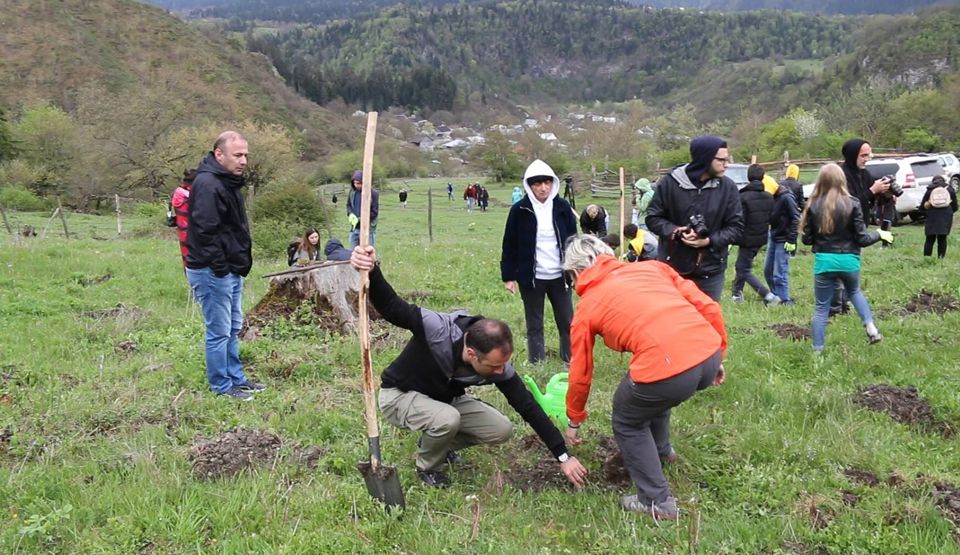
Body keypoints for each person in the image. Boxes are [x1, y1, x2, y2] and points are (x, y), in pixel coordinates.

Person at [349, 246, 588, 489]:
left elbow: (528, 408)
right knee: (448, 419)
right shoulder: (437, 329)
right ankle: (428, 467)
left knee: (501, 429)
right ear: (472, 354)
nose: (500, 371)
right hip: (399, 396)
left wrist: (563, 456)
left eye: (503, 364)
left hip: (442, 403)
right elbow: (392, 307)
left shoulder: (496, 363)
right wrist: (372, 269)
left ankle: (436, 444)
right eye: (494, 366)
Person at [562, 235, 726, 519]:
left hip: (672, 366)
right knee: (649, 394)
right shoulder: (652, 267)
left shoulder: (587, 306)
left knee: (627, 418)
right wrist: (717, 354)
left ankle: (656, 500)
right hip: (706, 356)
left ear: (576, 272)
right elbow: (710, 307)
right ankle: (662, 452)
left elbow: (580, 371)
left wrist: (574, 418)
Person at [185, 131, 265, 401]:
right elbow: (206, 232)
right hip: (212, 270)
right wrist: (220, 268)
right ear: (219, 155)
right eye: (237, 155)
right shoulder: (209, 184)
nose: (243, 161)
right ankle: (222, 386)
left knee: (232, 327)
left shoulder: (227, 181)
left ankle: (236, 378)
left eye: (245, 155)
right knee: (218, 331)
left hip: (228, 267)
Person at [801, 164, 892, 352]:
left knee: (821, 308)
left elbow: (807, 239)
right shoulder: (854, 203)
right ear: (842, 179)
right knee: (854, 292)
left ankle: (817, 349)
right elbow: (863, 239)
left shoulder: (814, 204)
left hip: (825, 261)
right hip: (849, 260)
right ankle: (871, 328)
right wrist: (879, 234)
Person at [646, 136, 744, 302]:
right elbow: (653, 218)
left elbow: (736, 227)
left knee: (707, 322)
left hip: (711, 270)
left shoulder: (728, 188)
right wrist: (676, 231)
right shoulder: (669, 184)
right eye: (721, 160)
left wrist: (709, 241)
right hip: (673, 269)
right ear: (704, 158)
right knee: (673, 322)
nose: (726, 164)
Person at [501, 159, 578, 365]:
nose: (543, 188)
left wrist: (576, 270)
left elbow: (573, 241)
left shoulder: (562, 207)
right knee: (534, 323)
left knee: (567, 322)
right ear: (529, 185)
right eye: (537, 184)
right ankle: (537, 362)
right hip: (532, 277)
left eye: (547, 183)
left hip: (560, 276)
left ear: (553, 183)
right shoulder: (520, 210)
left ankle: (569, 360)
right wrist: (509, 277)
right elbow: (510, 243)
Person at [732, 164, 779, 305]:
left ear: (748, 177)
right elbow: (772, 218)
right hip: (761, 237)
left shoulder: (743, 197)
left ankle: (768, 295)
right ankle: (736, 293)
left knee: (743, 268)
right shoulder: (769, 197)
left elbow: (740, 220)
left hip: (746, 239)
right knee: (743, 264)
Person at [765, 181, 801, 305]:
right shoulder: (774, 198)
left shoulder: (786, 198)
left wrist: (791, 239)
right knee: (768, 271)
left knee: (779, 273)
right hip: (774, 237)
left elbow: (796, 218)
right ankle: (776, 296)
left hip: (784, 239)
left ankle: (785, 300)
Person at [920, 175, 958, 258]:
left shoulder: (930, 190)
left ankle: (927, 258)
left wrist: (926, 211)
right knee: (942, 238)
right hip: (945, 215)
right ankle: (940, 258)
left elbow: (922, 206)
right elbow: (955, 206)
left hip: (932, 215)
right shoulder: (949, 189)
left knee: (930, 239)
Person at [171, 169, 197, 270]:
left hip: (182, 229)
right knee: (193, 261)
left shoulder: (178, 192)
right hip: (191, 231)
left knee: (187, 258)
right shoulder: (189, 195)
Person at [346, 170, 379, 249]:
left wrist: (361, 219)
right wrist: (350, 214)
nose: (356, 185)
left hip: (368, 228)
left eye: (358, 183)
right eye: (354, 183)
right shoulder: (352, 193)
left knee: (367, 252)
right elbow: (349, 205)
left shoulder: (373, 194)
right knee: (354, 252)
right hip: (355, 228)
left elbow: (374, 212)